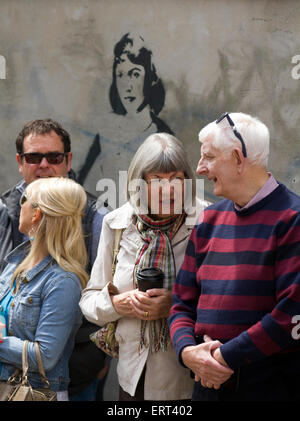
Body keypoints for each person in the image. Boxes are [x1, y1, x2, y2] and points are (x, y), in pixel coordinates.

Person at [168, 112, 300, 401]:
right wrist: (188, 352)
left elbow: (293, 315)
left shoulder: (292, 219)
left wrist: (224, 358)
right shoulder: (209, 220)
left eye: (209, 157)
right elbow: (181, 303)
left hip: (269, 390)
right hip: (206, 387)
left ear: (239, 159)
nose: (200, 168)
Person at [80, 132, 210, 401]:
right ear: (140, 184)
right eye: (157, 180)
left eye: (176, 178)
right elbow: (89, 302)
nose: (168, 188)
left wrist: (173, 305)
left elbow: (228, 303)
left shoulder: (208, 221)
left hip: (190, 378)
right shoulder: (116, 224)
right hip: (132, 382)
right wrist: (117, 304)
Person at [0, 118, 108, 401]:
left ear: (68, 160)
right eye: (34, 157)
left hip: (67, 380)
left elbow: (107, 295)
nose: (44, 165)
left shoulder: (98, 218)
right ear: (20, 162)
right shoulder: (8, 229)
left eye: (54, 157)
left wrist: (99, 362)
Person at [0, 177, 88, 399]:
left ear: (36, 214)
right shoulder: (15, 263)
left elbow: (45, 355)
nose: (19, 205)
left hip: (31, 392)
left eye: (23, 199)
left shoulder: (63, 281)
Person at [78, 32, 173, 191]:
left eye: (135, 74)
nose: (127, 86)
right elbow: (82, 190)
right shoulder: (105, 134)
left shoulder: (162, 136)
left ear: (149, 78)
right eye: (120, 75)